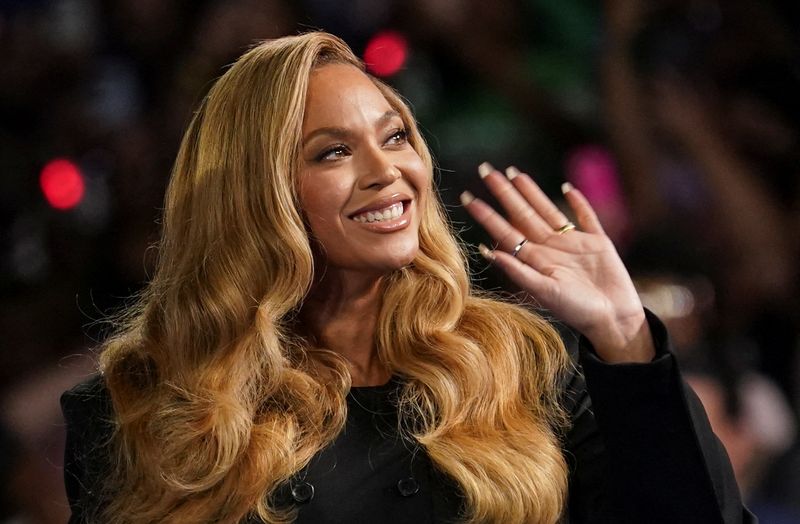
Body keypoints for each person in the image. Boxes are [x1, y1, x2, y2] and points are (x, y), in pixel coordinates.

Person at [61, 32, 755, 523]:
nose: (388, 170)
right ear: (255, 195)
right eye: (334, 152)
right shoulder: (141, 408)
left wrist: (624, 334)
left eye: (395, 136)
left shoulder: (526, 365)